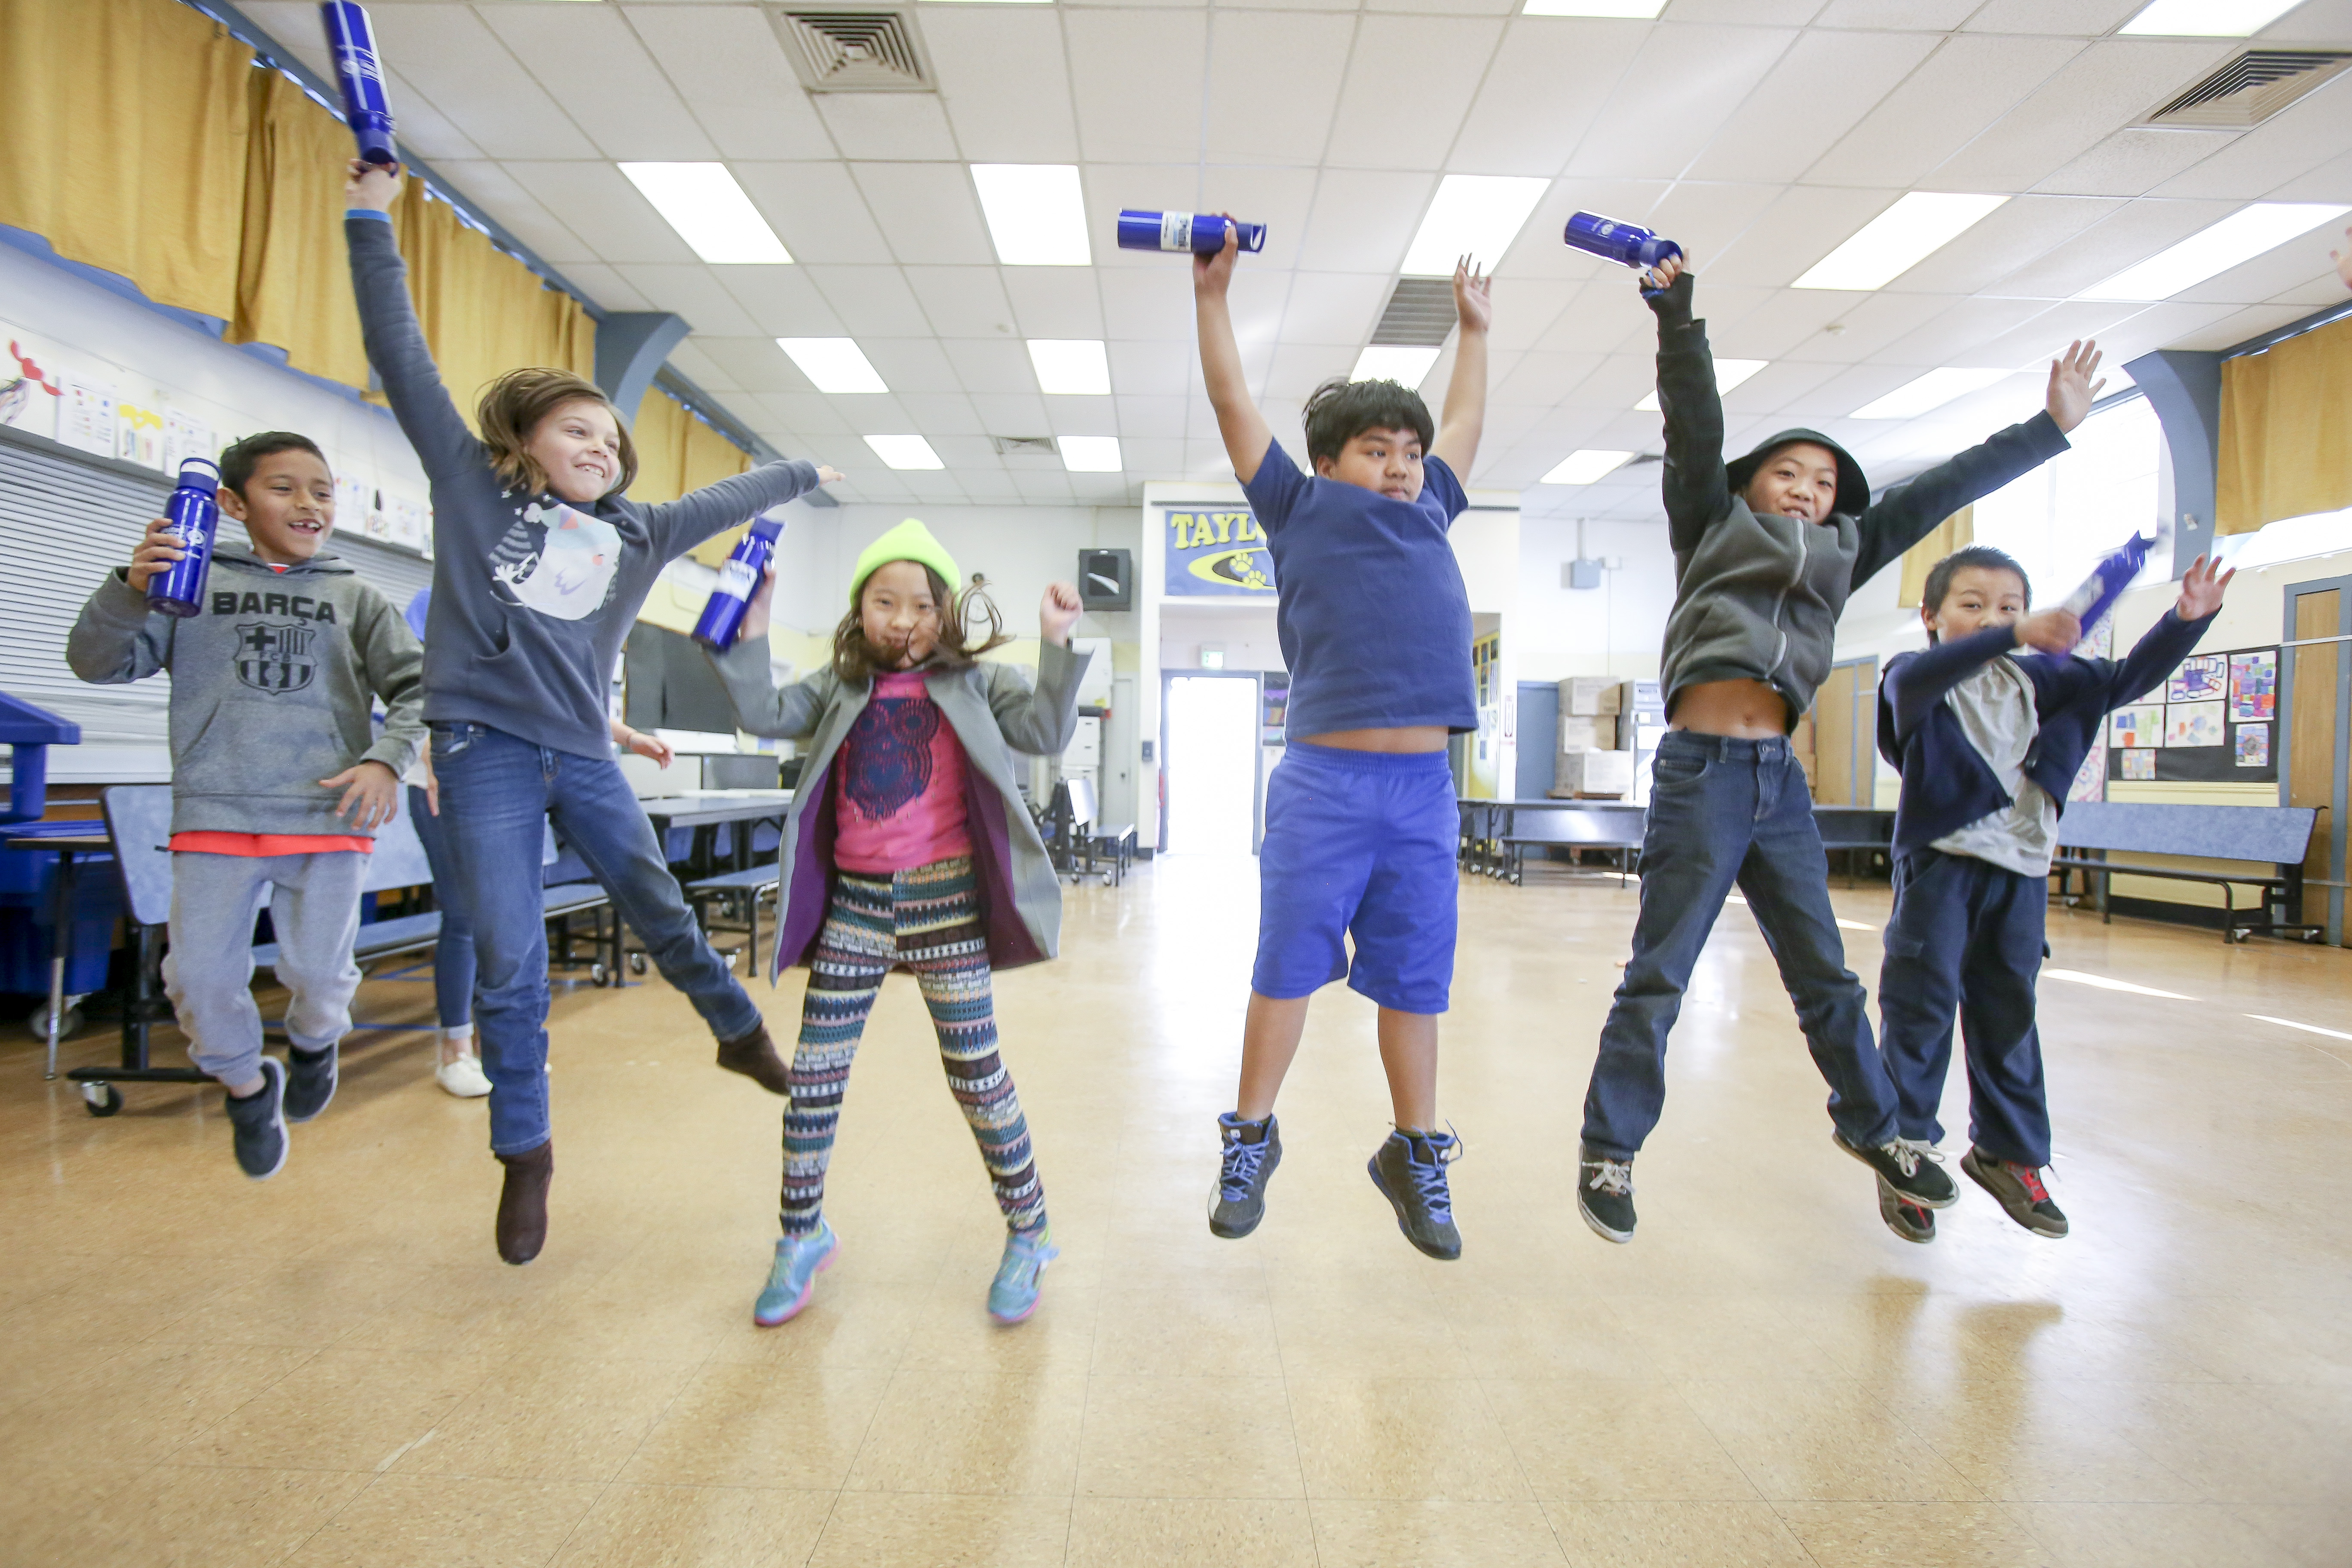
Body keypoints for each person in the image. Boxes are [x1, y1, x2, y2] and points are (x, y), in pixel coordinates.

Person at [343, 157, 840, 1265]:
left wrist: (803, 470)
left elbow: (724, 497)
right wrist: (368, 219)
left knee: (660, 906)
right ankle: (527, 1152)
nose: (599, 449)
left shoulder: (633, 533)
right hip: (483, 755)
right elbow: (400, 356)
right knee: (513, 951)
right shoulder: (469, 491)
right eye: (577, 432)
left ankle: (735, 1031)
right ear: (522, 443)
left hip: (581, 750)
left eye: (610, 441)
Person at [1575, 251, 2110, 1245]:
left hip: (1776, 780)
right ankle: (1609, 1152)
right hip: (1699, 773)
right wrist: (1676, 313)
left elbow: (1949, 479)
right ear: (1750, 485)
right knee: (1661, 971)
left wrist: (2050, 429)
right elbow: (1692, 422)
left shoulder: (1846, 552)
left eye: (1822, 482)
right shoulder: (1707, 527)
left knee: (1823, 973)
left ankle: (1879, 1133)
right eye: (1787, 473)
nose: (1806, 491)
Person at [1192, 219, 1492, 1261]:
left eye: (1408, 453)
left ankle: (1414, 1151)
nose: (1403, 466)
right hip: (1322, 782)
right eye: (1377, 451)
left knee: (1415, 980)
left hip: (1421, 789)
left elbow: (1463, 418)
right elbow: (1233, 402)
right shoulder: (1296, 506)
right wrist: (1210, 301)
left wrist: (1473, 332)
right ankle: (1249, 1135)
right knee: (1287, 965)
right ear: (1329, 462)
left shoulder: (1434, 511)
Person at [706, 520, 1088, 1326]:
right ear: (860, 612)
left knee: (977, 1076)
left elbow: (1046, 732)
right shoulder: (838, 687)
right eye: (885, 601)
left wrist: (1058, 643)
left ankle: (1030, 1231)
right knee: (814, 1078)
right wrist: (753, 623)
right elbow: (763, 709)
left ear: (948, 614)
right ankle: (800, 1234)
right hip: (857, 907)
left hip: (946, 903)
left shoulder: (978, 684)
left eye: (921, 603)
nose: (904, 619)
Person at [66, 431, 424, 1179]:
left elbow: (424, 691)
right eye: (284, 488)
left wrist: (386, 760)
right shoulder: (184, 586)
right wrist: (129, 589)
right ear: (230, 503)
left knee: (321, 980)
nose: (308, 504)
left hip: (328, 819)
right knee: (194, 979)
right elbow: (95, 663)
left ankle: (316, 1040)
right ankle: (244, 1081)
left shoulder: (356, 597)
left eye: (322, 490)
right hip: (215, 815)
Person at [1872, 546, 2230, 1243]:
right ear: (1930, 616)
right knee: (1918, 1016)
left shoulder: (2042, 682)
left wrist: (2185, 619)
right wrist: (2016, 631)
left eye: (2009, 606)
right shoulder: (1914, 678)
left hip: (2021, 873)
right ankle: (1903, 1153)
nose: (1993, 617)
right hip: (1942, 868)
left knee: (2008, 1013)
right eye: (1971, 604)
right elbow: (1915, 677)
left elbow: (2121, 679)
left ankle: (2006, 1152)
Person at [398, 591, 677, 1099]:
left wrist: (627, 736)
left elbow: (557, 697)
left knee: (512, 913)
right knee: (464, 914)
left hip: (511, 779)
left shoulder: (540, 602)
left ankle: (501, 1045)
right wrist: (433, 754)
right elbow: (410, 692)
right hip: (445, 777)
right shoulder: (436, 602)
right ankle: (455, 1050)